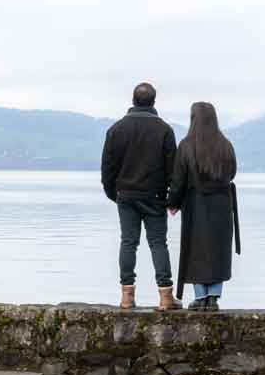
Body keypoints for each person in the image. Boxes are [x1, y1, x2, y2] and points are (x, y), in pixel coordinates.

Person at [101, 81, 178, 310]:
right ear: (153, 102)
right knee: (158, 244)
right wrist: (171, 198)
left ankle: (127, 296)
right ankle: (165, 297)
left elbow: (107, 168)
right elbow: (173, 170)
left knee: (128, 242)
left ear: (133, 100)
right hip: (155, 196)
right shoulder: (165, 130)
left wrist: (113, 193)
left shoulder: (116, 129)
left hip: (125, 194)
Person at [167, 100, 239, 310]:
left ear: (193, 119)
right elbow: (232, 173)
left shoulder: (187, 145)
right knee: (218, 248)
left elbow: (178, 179)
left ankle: (200, 297)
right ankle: (214, 297)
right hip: (222, 204)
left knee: (196, 248)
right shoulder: (226, 144)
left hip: (195, 204)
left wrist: (173, 203)